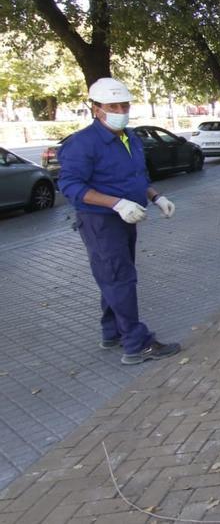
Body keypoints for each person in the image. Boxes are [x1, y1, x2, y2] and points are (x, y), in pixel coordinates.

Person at [57, 78, 182, 365]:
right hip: (101, 222)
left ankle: (112, 331)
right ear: (96, 109)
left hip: (126, 218)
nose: (120, 110)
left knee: (113, 277)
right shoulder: (82, 144)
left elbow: (135, 177)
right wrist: (116, 203)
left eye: (124, 104)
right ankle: (136, 344)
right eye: (113, 106)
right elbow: (70, 186)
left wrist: (155, 196)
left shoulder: (129, 137)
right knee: (119, 278)